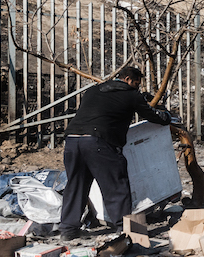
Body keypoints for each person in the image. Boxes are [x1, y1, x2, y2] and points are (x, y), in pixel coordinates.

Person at [59, 66, 172, 241]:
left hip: (73, 141)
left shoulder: (92, 91)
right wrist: (166, 117)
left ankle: (68, 230)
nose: (137, 87)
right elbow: (151, 115)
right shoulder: (131, 95)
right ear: (128, 80)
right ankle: (124, 229)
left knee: (76, 186)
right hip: (99, 142)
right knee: (115, 186)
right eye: (136, 83)